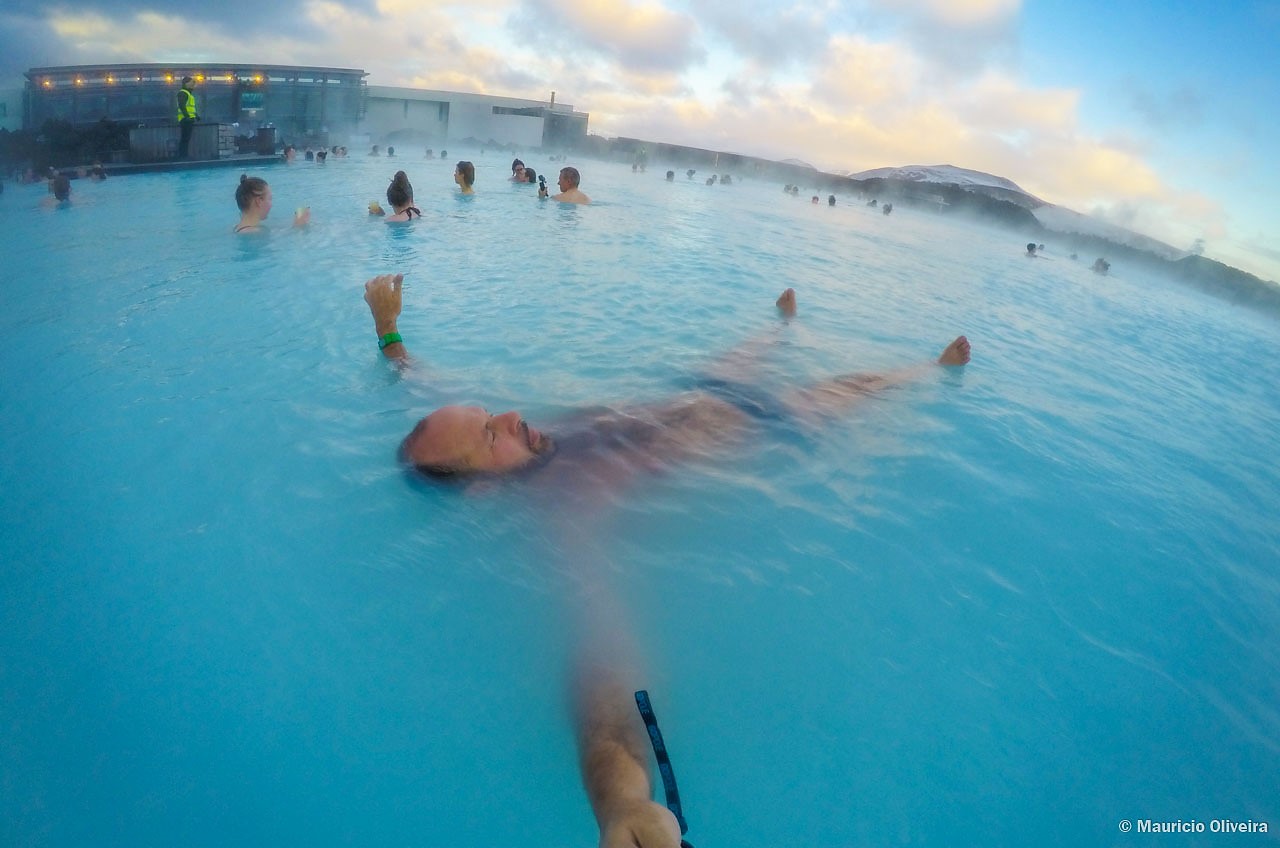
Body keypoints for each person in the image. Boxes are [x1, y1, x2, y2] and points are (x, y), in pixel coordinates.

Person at [361, 275, 970, 484]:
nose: (512, 417)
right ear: (481, 489)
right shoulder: (572, 496)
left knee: (741, 351)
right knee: (851, 385)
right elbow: (600, 629)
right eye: (493, 438)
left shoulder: (536, 442)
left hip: (693, 393)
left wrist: (390, 334)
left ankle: (780, 329)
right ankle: (927, 370)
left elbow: (426, 386)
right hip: (760, 423)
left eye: (490, 414)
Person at [233, 174, 310, 233]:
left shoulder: (236, 228)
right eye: (270, 199)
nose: (271, 204)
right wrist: (298, 226)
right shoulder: (254, 233)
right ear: (259, 201)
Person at [176, 76, 198, 159]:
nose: (193, 84)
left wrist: (196, 115)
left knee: (186, 138)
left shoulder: (188, 94)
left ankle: (184, 155)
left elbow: (191, 107)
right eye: (192, 82)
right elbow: (182, 106)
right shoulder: (183, 93)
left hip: (189, 119)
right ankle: (183, 155)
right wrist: (187, 116)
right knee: (185, 138)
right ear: (186, 83)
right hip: (185, 119)